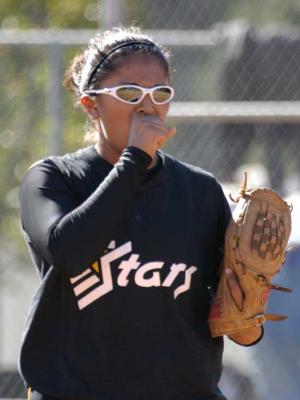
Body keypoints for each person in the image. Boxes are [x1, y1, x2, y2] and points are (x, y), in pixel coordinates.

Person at [19, 26, 263, 400]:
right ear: (91, 104)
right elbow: (69, 253)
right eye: (129, 92)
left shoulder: (199, 191)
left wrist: (248, 320)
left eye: (160, 92)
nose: (147, 105)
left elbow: (234, 322)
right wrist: (135, 158)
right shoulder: (54, 179)